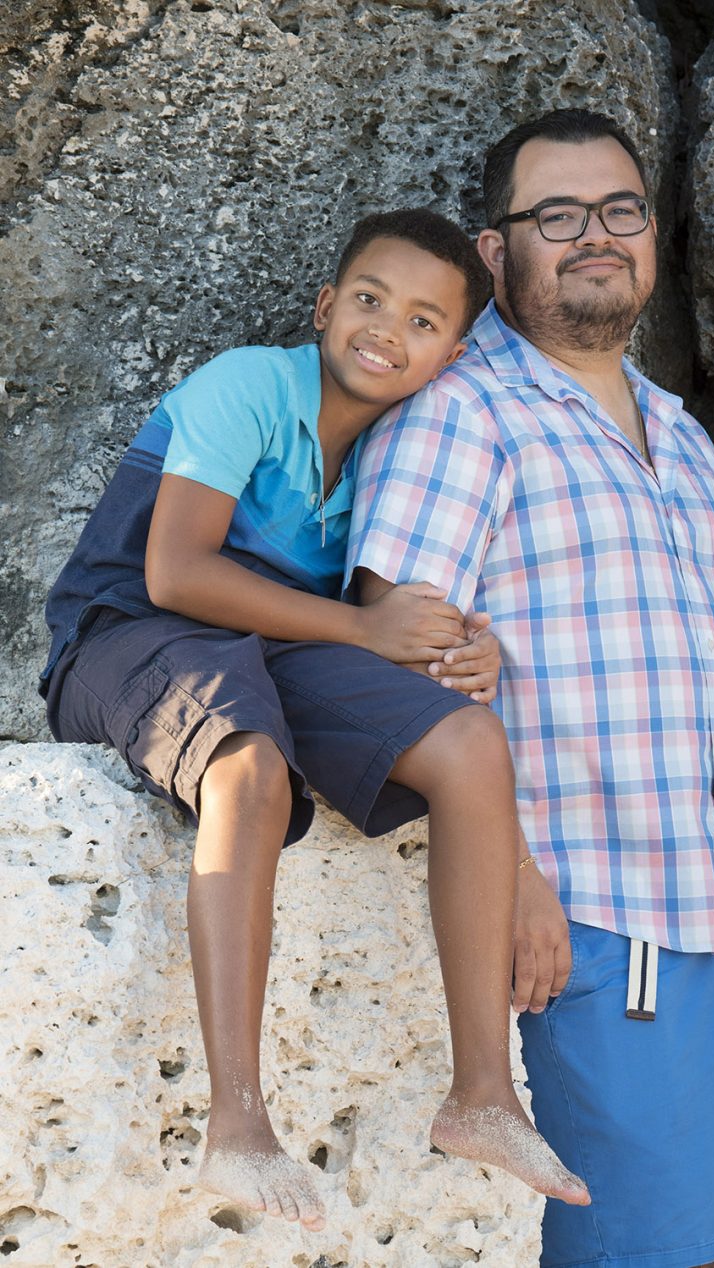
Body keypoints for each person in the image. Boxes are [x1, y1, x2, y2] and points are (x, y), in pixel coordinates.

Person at [37, 210, 586, 1228]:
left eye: (423, 320)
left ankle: (481, 1094)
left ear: (449, 358)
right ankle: (237, 1124)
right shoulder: (248, 386)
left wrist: (471, 648)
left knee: (468, 739)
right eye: (371, 299)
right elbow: (177, 569)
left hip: (272, 647)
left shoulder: (399, 449)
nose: (389, 328)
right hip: (129, 629)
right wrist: (364, 628)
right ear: (327, 305)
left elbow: (417, 624)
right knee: (248, 765)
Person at [347, 110, 714, 1267]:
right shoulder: (462, 415)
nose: (595, 235)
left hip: (702, 911)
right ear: (498, 252)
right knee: (626, 1252)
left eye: (620, 210)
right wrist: (519, 877)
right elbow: (391, 665)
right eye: (556, 216)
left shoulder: (681, 434)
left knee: (692, 1240)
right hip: (582, 919)